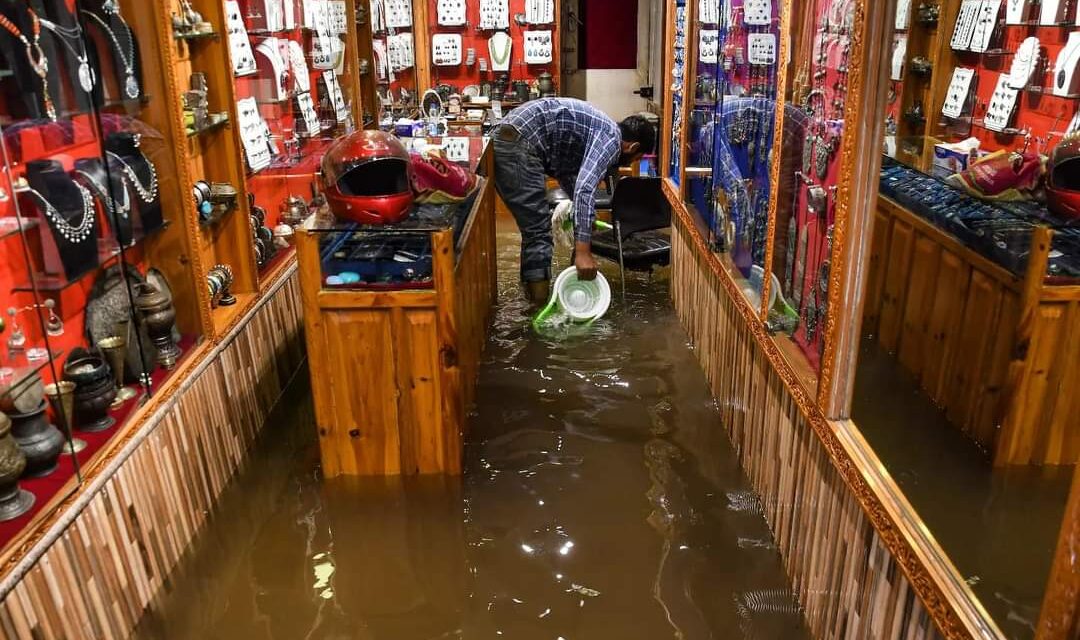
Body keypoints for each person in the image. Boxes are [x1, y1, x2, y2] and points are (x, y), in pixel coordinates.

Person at [492, 98, 656, 302]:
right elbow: (584, 189)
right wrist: (583, 252)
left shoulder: (602, 128)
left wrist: (584, 221)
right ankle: (536, 309)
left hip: (510, 137)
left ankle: (529, 296)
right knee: (538, 232)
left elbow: (566, 172)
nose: (632, 162)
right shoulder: (611, 139)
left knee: (535, 231)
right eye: (636, 158)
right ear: (633, 147)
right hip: (519, 143)